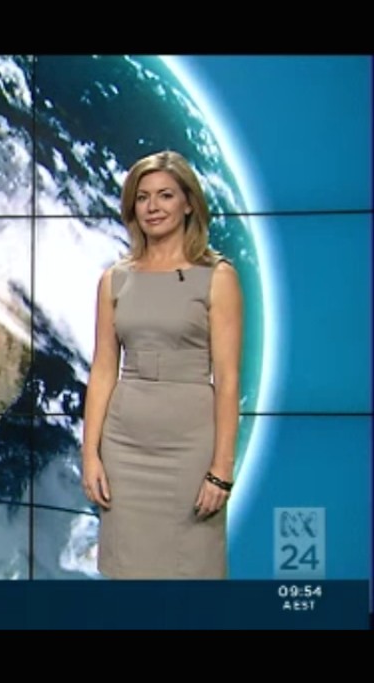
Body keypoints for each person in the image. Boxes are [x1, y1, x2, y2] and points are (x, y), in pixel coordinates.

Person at [81, 150, 243, 579]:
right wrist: (90, 455)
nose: (152, 207)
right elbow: (103, 370)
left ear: (188, 203)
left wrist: (221, 470)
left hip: (190, 447)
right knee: (127, 577)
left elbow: (228, 380)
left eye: (165, 195)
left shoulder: (218, 277)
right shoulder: (115, 280)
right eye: (143, 197)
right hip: (125, 447)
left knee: (192, 575)